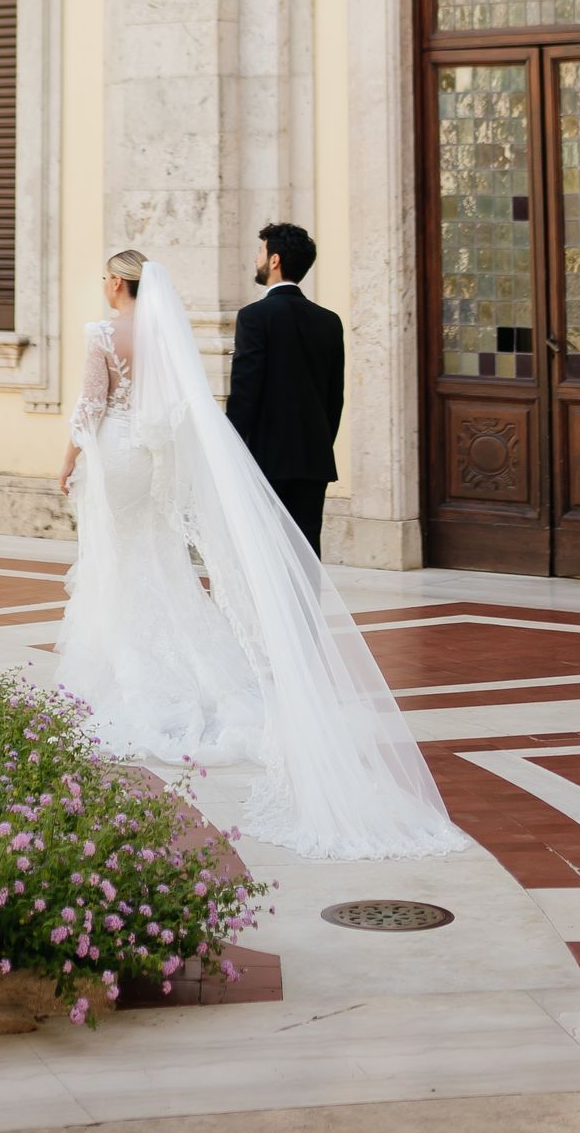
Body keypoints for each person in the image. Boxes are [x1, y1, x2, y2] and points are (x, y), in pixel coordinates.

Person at [54, 248, 461, 860]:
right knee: (163, 557)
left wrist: (65, 463)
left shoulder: (104, 333)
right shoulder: (171, 332)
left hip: (117, 454)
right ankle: (245, 656)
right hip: (161, 459)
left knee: (120, 557)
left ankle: (124, 666)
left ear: (115, 280)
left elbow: (90, 406)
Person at [224, 222, 341, 561]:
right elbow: (335, 398)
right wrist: (319, 442)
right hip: (313, 459)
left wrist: (232, 447)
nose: (256, 259)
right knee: (305, 551)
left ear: (274, 260)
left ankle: (269, 616)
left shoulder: (254, 317)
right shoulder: (329, 321)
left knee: (262, 552)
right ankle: (305, 615)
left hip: (264, 458)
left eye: (260, 252)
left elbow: (245, 392)